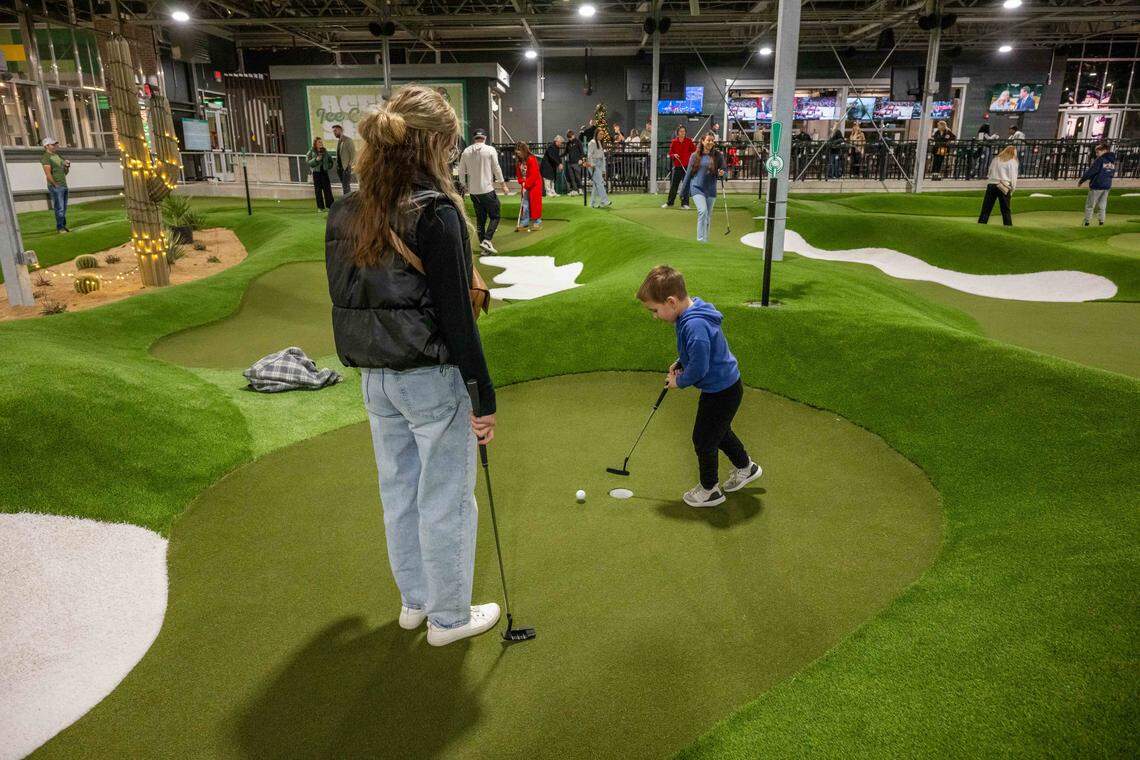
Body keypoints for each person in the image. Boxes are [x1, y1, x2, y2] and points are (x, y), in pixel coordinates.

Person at [323, 85, 500, 647]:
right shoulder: (436, 212)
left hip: (376, 381)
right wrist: (483, 397)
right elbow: (457, 319)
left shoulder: (345, 210)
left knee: (399, 492)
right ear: (432, 145)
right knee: (444, 499)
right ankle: (448, 619)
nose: (450, 156)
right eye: (448, 145)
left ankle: (415, 603)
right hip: (431, 377)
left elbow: (349, 299)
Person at [636, 265, 762, 508]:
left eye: (655, 310)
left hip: (721, 392)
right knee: (719, 431)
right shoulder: (691, 313)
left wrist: (679, 381)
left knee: (703, 439)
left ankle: (709, 490)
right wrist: (681, 361)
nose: (654, 315)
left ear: (671, 302)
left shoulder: (695, 326)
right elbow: (695, 352)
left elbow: (700, 369)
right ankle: (747, 467)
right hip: (725, 386)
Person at [457, 128, 509, 252]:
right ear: (485, 138)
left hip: (474, 192)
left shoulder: (466, 151)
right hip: (487, 190)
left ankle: (484, 248)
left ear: (474, 138)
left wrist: (463, 186)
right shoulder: (490, 150)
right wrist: (503, 185)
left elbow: (460, 171)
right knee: (495, 216)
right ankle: (487, 240)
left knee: (480, 220)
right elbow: (496, 168)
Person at [679, 131, 726, 243]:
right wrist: (682, 192)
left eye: (712, 140)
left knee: (708, 216)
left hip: (711, 190)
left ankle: (705, 240)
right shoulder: (695, 156)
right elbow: (688, 174)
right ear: (703, 141)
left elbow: (725, 172)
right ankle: (700, 240)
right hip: (697, 188)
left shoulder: (718, 156)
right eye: (708, 140)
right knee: (703, 211)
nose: (710, 142)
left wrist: (722, 174)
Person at [978, 145, 1018, 226]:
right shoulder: (1012, 161)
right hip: (1004, 185)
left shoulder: (995, 159)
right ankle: (1008, 226)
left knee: (986, 208)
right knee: (1005, 209)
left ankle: (981, 225)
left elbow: (989, 172)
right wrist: (1012, 189)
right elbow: (1013, 177)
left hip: (992, 184)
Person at [1078, 142, 1116, 227]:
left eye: (1098, 152)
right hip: (1107, 185)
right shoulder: (1112, 161)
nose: (1097, 154)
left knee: (1090, 204)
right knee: (1102, 205)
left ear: (1104, 151)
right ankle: (1101, 221)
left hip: (1097, 185)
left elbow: (1091, 171)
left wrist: (1081, 180)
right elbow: (1112, 173)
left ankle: (1087, 222)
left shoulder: (1100, 160)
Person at [40, 137, 70, 233]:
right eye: (52, 144)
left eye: (55, 144)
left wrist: (67, 166)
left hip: (63, 184)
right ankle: (60, 228)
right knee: (59, 207)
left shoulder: (58, 156)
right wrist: (55, 184)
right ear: (46, 146)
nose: (55, 146)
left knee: (63, 207)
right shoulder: (46, 158)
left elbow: (64, 172)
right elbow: (48, 173)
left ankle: (63, 226)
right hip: (56, 186)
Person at [662, 125, 696, 210]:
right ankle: (670, 202)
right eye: (681, 131)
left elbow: (694, 151)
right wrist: (674, 155)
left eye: (684, 131)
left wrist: (691, 158)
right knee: (674, 185)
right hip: (677, 166)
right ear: (677, 133)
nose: (682, 133)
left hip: (687, 167)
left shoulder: (689, 141)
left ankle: (685, 203)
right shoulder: (674, 142)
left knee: (686, 186)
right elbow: (670, 153)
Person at [515, 142, 542, 230]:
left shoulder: (531, 159)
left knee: (535, 202)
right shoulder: (519, 162)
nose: (518, 155)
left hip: (534, 184)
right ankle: (525, 221)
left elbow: (534, 174)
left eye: (519, 153)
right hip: (525, 184)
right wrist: (522, 182)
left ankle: (537, 221)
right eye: (517, 153)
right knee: (525, 203)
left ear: (524, 151)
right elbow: (519, 175)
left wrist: (526, 185)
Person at [305, 137, 335, 212]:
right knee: (318, 191)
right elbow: (308, 161)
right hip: (316, 173)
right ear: (315, 143)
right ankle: (320, 207)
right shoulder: (311, 151)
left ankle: (330, 206)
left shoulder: (325, 151)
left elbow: (331, 161)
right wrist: (316, 159)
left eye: (321, 142)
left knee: (327, 190)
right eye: (319, 142)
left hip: (324, 172)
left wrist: (328, 166)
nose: (321, 143)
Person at [585, 130, 611, 208]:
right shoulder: (592, 142)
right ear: (596, 134)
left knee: (596, 185)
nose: (601, 135)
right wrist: (592, 165)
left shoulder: (599, 142)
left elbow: (602, 156)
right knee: (600, 183)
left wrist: (603, 169)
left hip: (599, 164)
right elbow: (589, 155)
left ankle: (592, 204)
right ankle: (605, 200)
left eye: (602, 134)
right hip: (593, 165)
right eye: (600, 134)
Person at [332, 124, 357, 195]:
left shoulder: (348, 140)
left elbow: (353, 154)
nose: (334, 133)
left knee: (346, 186)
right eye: (333, 131)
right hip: (340, 168)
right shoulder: (339, 141)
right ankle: (346, 199)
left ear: (340, 130)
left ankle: (348, 200)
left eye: (335, 131)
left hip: (346, 167)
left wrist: (349, 165)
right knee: (344, 185)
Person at [564, 129, 584, 195]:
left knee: (578, 177)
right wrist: (559, 156)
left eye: (570, 137)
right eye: (568, 138)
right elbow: (565, 152)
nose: (569, 139)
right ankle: (575, 190)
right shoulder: (568, 143)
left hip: (577, 162)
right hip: (570, 162)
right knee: (572, 177)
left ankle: (580, 189)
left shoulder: (578, 142)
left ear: (573, 135)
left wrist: (581, 159)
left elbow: (582, 152)